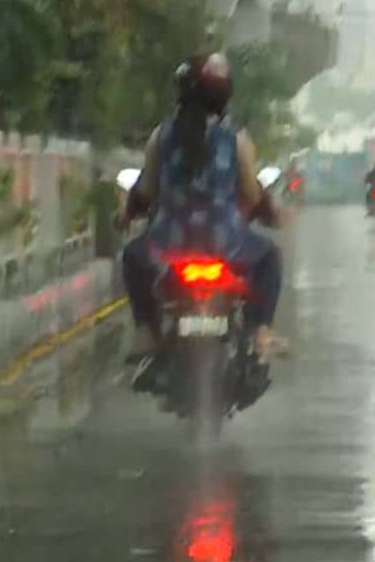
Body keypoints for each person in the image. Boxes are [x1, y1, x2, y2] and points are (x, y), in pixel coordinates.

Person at [118, 52, 282, 364]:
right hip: (227, 245)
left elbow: (146, 190)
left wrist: (127, 213)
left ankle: (146, 333)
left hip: (169, 244)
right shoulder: (237, 139)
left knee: (131, 256)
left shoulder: (161, 136)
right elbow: (251, 194)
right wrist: (269, 212)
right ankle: (261, 331)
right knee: (270, 257)